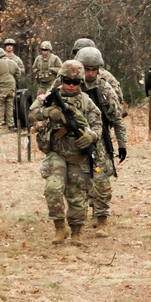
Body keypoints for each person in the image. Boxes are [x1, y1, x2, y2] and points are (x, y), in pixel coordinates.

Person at [29, 60, 102, 245]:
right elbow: (31, 113)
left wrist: (91, 136)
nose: (71, 85)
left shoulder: (86, 101)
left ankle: (76, 231)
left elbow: (97, 124)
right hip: (56, 153)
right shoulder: (50, 97)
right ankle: (60, 227)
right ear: (61, 79)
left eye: (75, 82)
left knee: (77, 196)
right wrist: (49, 113)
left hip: (78, 156)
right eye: (67, 81)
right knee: (53, 189)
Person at [74, 46, 128, 236]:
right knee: (78, 181)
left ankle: (102, 218)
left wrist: (122, 144)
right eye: (86, 69)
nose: (89, 74)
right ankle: (78, 219)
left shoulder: (105, 89)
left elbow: (117, 118)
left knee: (100, 178)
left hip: (99, 141)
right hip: (75, 141)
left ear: (98, 69)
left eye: (93, 70)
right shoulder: (70, 84)